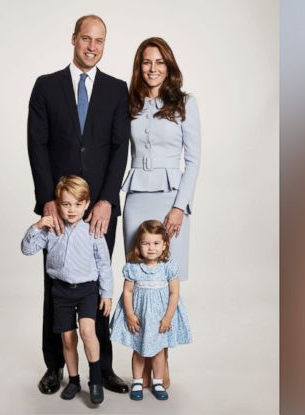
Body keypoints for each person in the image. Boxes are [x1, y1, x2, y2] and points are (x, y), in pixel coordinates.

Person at [27, 14, 131, 395]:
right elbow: (36, 145)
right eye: (86, 39)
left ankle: (101, 370)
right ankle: (55, 365)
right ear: (74, 39)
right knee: (55, 287)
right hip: (60, 208)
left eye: (99, 41)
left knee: (99, 287)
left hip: (99, 211)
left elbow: (121, 148)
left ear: (105, 44)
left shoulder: (117, 90)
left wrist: (106, 200)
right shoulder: (46, 86)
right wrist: (47, 202)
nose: (92, 47)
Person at [121, 37, 200, 388]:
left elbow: (194, 160)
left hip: (171, 200)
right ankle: (141, 365)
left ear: (169, 67)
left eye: (159, 62)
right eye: (146, 62)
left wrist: (179, 207)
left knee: (166, 282)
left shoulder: (185, 103)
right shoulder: (130, 104)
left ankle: (162, 362)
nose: (152, 69)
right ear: (139, 68)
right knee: (140, 283)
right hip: (136, 197)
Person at [21, 176, 115, 404]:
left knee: (87, 332)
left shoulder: (93, 231)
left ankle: (95, 380)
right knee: (68, 339)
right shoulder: (52, 230)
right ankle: (74, 380)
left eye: (77, 204)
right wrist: (37, 226)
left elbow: (104, 265)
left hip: (87, 290)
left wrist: (107, 294)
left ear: (86, 204)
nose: (72, 210)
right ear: (58, 204)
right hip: (61, 291)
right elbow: (27, 249)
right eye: (66, 204)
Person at [110, 220, 193, 401]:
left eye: (156, 243)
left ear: (164, 246)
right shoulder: (133, 268)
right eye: (146, 243)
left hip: (160, 319)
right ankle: (138, 381)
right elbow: (127, 291)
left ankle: (157, 381)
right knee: (138, 350)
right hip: (140, 317)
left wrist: (168, 317)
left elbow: (174, 293)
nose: (151, 248)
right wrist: (130, 315)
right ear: (138, 246)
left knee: (158, 351)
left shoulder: (168, 268)